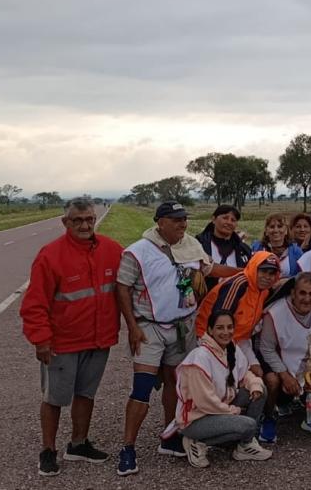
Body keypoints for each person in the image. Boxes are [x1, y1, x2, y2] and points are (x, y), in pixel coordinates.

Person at [114, 201, 237, 475]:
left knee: (175, 383)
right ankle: (128, 447)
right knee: (142, 388)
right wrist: (132, 327)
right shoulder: (137, 252)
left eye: (184, 219)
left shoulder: (190, 246)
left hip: (183, 326)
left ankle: (169, 436)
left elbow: (211, 270)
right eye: (175, 220)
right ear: (160, 222)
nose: (182, 224)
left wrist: (247, 273)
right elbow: (122, 288)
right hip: (150, 328)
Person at [20, 198, 123, 476]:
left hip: (99, 340)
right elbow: (34, 304)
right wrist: (41, 339)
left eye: (89, 219)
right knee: (54, 398)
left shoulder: (112, 250)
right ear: (65, 222)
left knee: (86, 394)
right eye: (77, 220)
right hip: (62, 343)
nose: (85, 225)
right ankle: (48, 450)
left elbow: (132, 283)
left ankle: (78, 444)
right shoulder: (50, 256)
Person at [165, 309, 271, 469]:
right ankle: (196, 441)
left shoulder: (231, 349)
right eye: (220, 328)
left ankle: (245, 445)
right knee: (248, 425)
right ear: (210, 330)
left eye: (229, 327)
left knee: (260, 389)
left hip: (218, 408)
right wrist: (233, 411)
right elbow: (206, 402)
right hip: (196, 419)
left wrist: (255, 385)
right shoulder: (199, 358)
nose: (226, 332)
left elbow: (245, 374)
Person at [258, 272, 311, 443]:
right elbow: (266, 348)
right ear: (293, 293)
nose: (307, 298)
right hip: (280, 360)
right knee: (271, 380)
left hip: (310, 357)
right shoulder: (275, 312)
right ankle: (268, 417)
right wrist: (284, 375)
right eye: (302, 293)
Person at [193, 252, 283, 379]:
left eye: (272, 273)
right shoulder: (238, 285)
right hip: (210, 337)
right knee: (231, 378)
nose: (267, 277)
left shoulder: (264, 291)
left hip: (239, 339)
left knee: (258, 373)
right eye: (263, 271)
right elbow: (219, 322)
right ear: (253, 268)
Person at [195, 205, 253, 290]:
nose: (229, 222)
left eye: (233, 220)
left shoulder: (244, 249)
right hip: (206, 299)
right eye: (225, 218)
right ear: (213, 219)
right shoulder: (199, 244)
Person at [251, 212, 304, 278]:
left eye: (280, 226)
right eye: (272, 227)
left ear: (286, 231)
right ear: (266, 231)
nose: (276, 230)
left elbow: (303, 275)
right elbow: (250, 271)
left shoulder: (296, 251)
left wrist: (288, 281)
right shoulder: (256, 248)